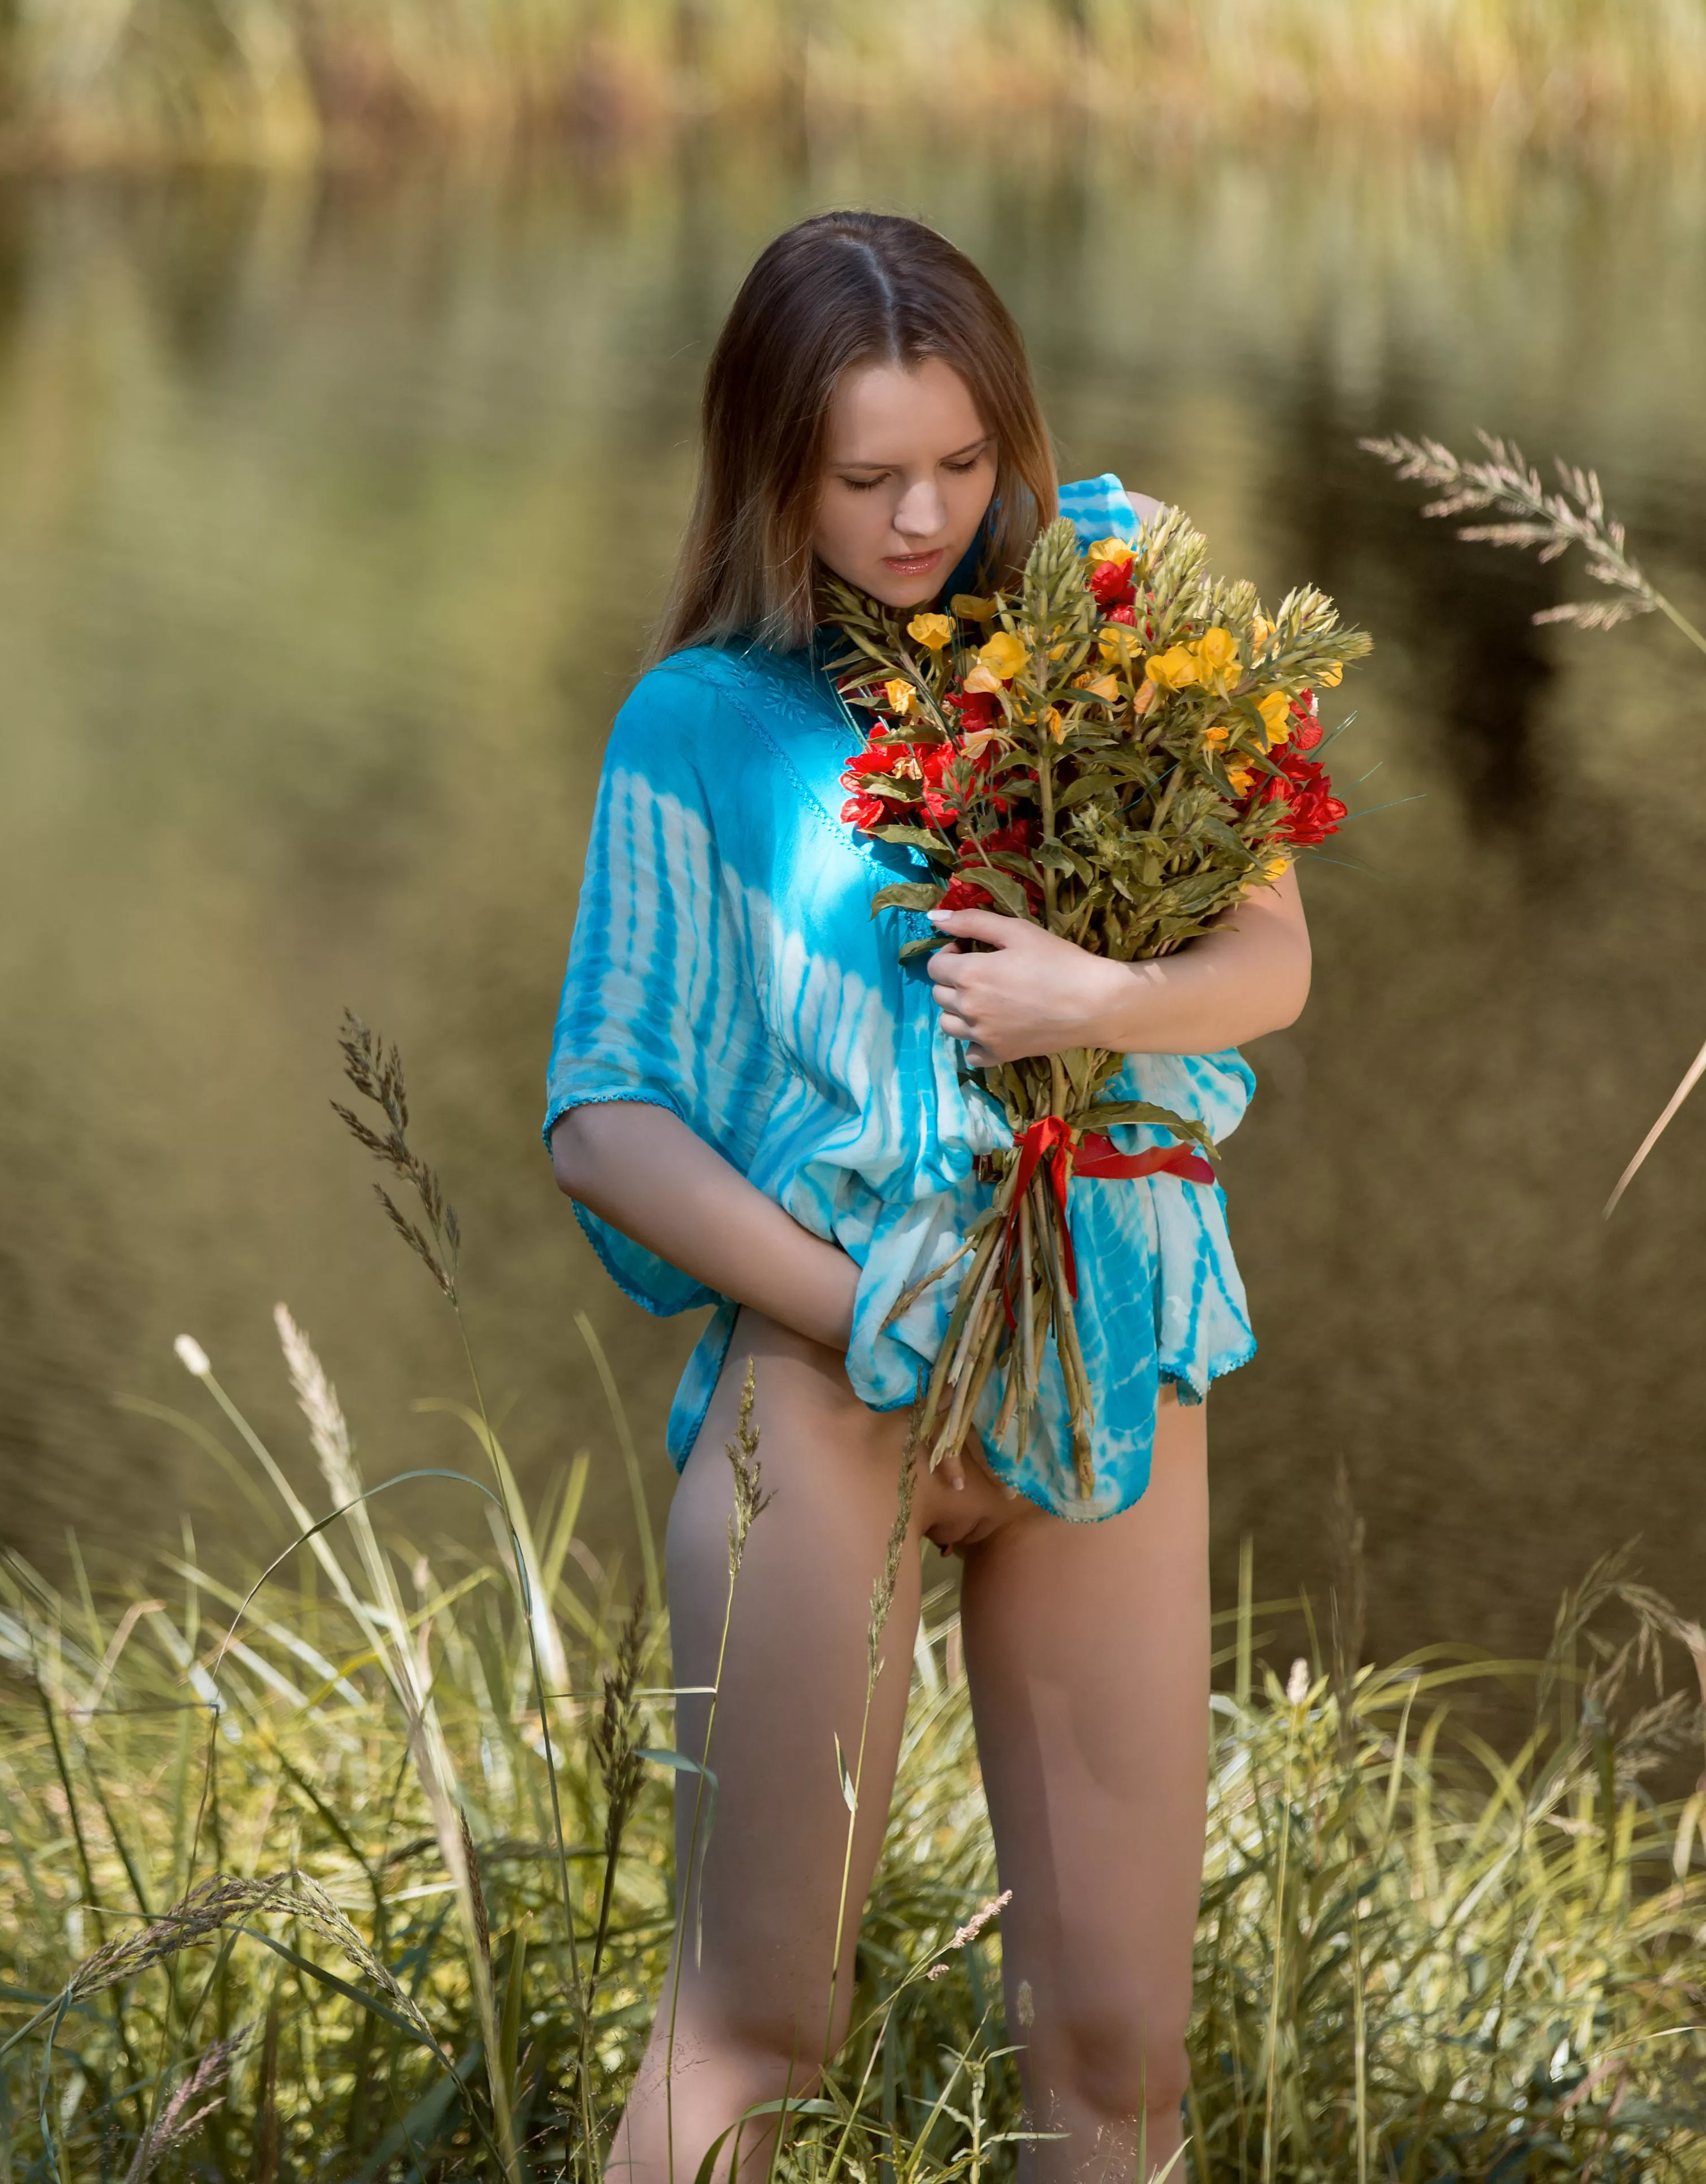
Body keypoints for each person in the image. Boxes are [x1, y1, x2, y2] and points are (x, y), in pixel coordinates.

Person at [544, 210, 1311, 2183]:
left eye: (962, 464)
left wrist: (1095, 999)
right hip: (830, 1398)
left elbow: (1270, 961)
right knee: (760, 2026)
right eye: (863, 477)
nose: (920, 519)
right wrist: (852, 1301)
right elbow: (604, 1119)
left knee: (1124, 2051)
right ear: (770, 467)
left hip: (1103, 1363)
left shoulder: (1114, 622)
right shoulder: (701, 724)